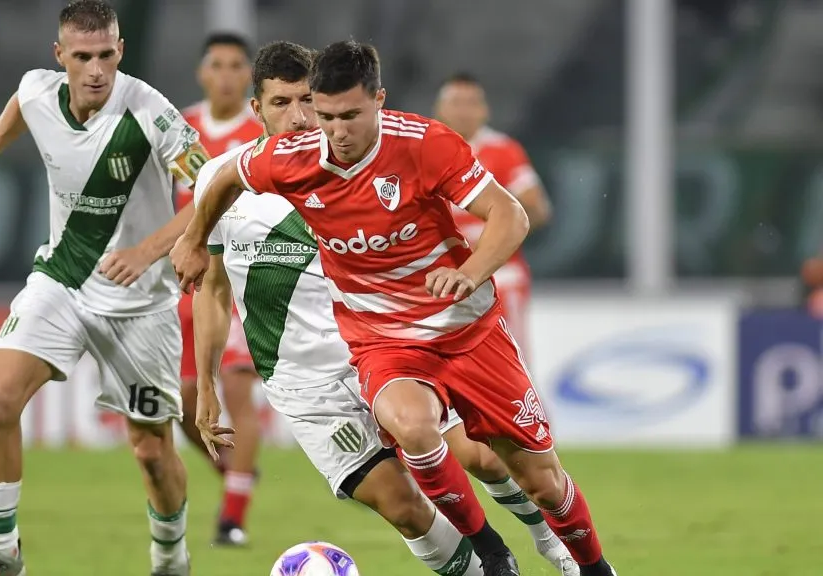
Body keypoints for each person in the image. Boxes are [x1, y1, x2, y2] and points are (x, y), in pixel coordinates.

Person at [172, 40, 618, 576]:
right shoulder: (251, 173)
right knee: (404, 506)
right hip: (309, 376)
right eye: (281, 104)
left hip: (398, 338)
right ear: (256, 108)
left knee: (490, 458)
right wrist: (195, 249)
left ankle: (554, 545)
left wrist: (467, 272)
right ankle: (491, 563)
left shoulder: (399, 149)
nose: (302, 119)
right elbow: (214, 288)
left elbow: (512, 213)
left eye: (306, 103)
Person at [0, 2, 206, 574]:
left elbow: (213, 187)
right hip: (63, 279)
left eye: (106, 54)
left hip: (141, 305)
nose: (96, 69)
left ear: (120, 51)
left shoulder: (149, 110)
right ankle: (4, 557)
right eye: (82, 57)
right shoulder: (37, 91)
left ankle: (171, 559)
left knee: (152, 452)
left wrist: (149, 250)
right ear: (61, 57)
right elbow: (21, 106)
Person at [176, 32, 265, 547]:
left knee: (233, 388)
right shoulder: (181, 129)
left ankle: (232, 518)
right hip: (189, 279)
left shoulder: (261, 129)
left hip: (240, 275)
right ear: (202, 73)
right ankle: (238, 476)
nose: (227, 74)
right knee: (186, 405)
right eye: (218, 65)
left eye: (237, 66)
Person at [434, 72, 552, 359]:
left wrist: (495, 239)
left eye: (472, 103)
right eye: (457, 102)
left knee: (513, 357)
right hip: (443, 276)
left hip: (501, 274)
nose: (464, 110)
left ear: (485, 110)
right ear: (440, 109)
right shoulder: (428, 149)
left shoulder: (503, 150)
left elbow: (537, 208)